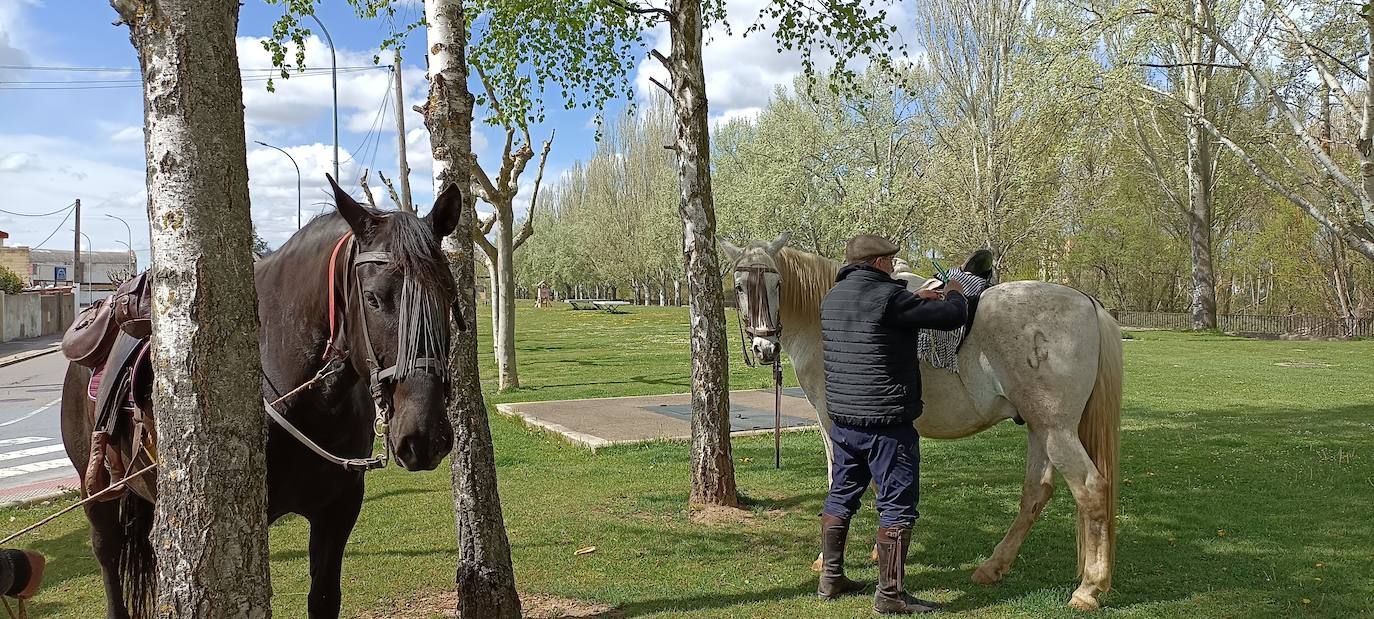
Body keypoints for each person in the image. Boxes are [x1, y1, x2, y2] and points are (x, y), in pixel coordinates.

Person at [816, 234, 967, 615]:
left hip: (845, 423)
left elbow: (877, 324)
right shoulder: (891, 298)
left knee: (841, 496)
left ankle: (830, 578)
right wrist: (954, 291)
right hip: (887, 424)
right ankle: (890, 596)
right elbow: (952, 318)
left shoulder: (832, 298)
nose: (894, 266)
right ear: (881, 262)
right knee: (897, 505)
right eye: (892, 261)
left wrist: (916, 301)